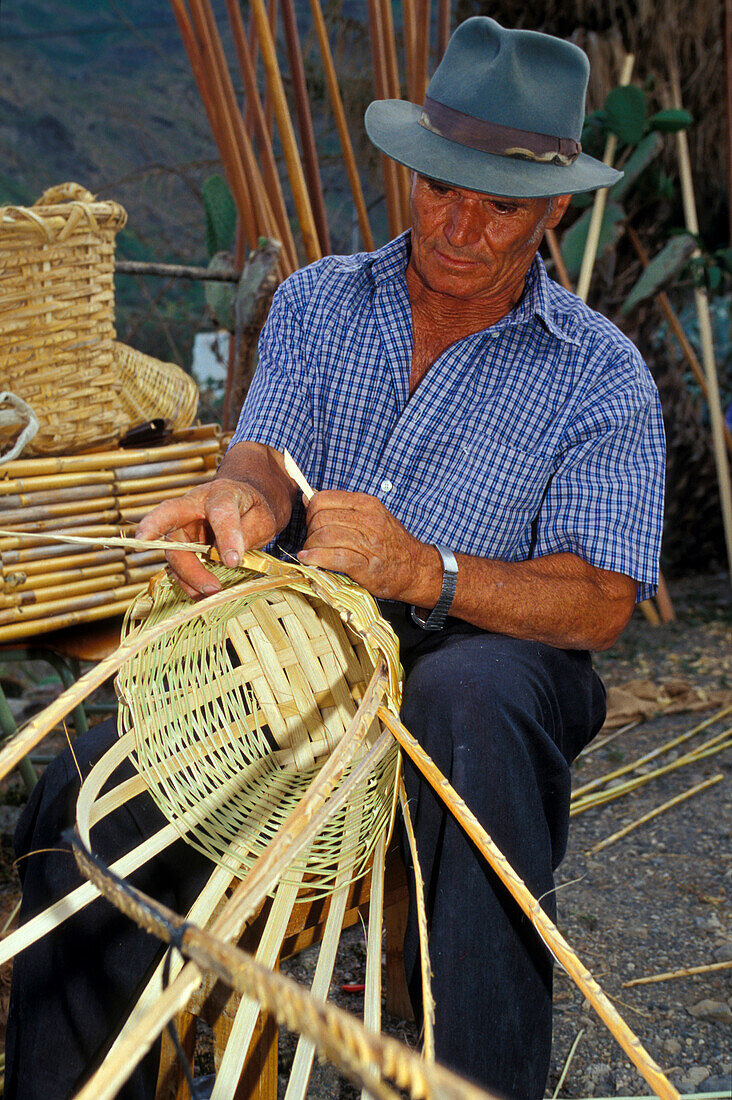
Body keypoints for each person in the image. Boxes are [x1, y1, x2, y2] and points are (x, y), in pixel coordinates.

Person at [5, 17, 664, 1100]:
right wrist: (241, 498)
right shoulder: (319, 303)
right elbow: (265, 460)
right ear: (411, 170)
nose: (459, 228)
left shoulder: (598, 374)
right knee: (83, 785)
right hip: (304, 651)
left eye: (499, 206)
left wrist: (428, 573)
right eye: (440, 188)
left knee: (473, 695)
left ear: (552, 211)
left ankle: (480, 1081)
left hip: (489, 651)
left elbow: (598, 603)